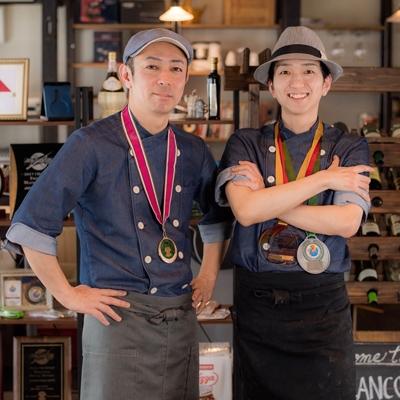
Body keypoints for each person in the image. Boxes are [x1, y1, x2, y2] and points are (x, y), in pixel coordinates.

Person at [6, 28, 232, 400]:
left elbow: (215, 217)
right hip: (117, 319)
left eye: (177, 68)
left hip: (180, 317)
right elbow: (31, 225)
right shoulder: (91, 143)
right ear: (126, 76)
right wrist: (68, 295)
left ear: (186, 79)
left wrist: (207, 273)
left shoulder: (192, 149)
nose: (165, 78)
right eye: (152, 66)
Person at [215, 26, 373, 399]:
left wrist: (268, 198)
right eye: (284, 71)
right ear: (272, 84)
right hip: (258, 307)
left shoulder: (351, 148)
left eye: (308, 71)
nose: (296, 81)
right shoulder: (245, 142)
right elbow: (246, 211)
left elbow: (346, 222)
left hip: (322, 306)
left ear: (326, 83)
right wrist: (325, 181)